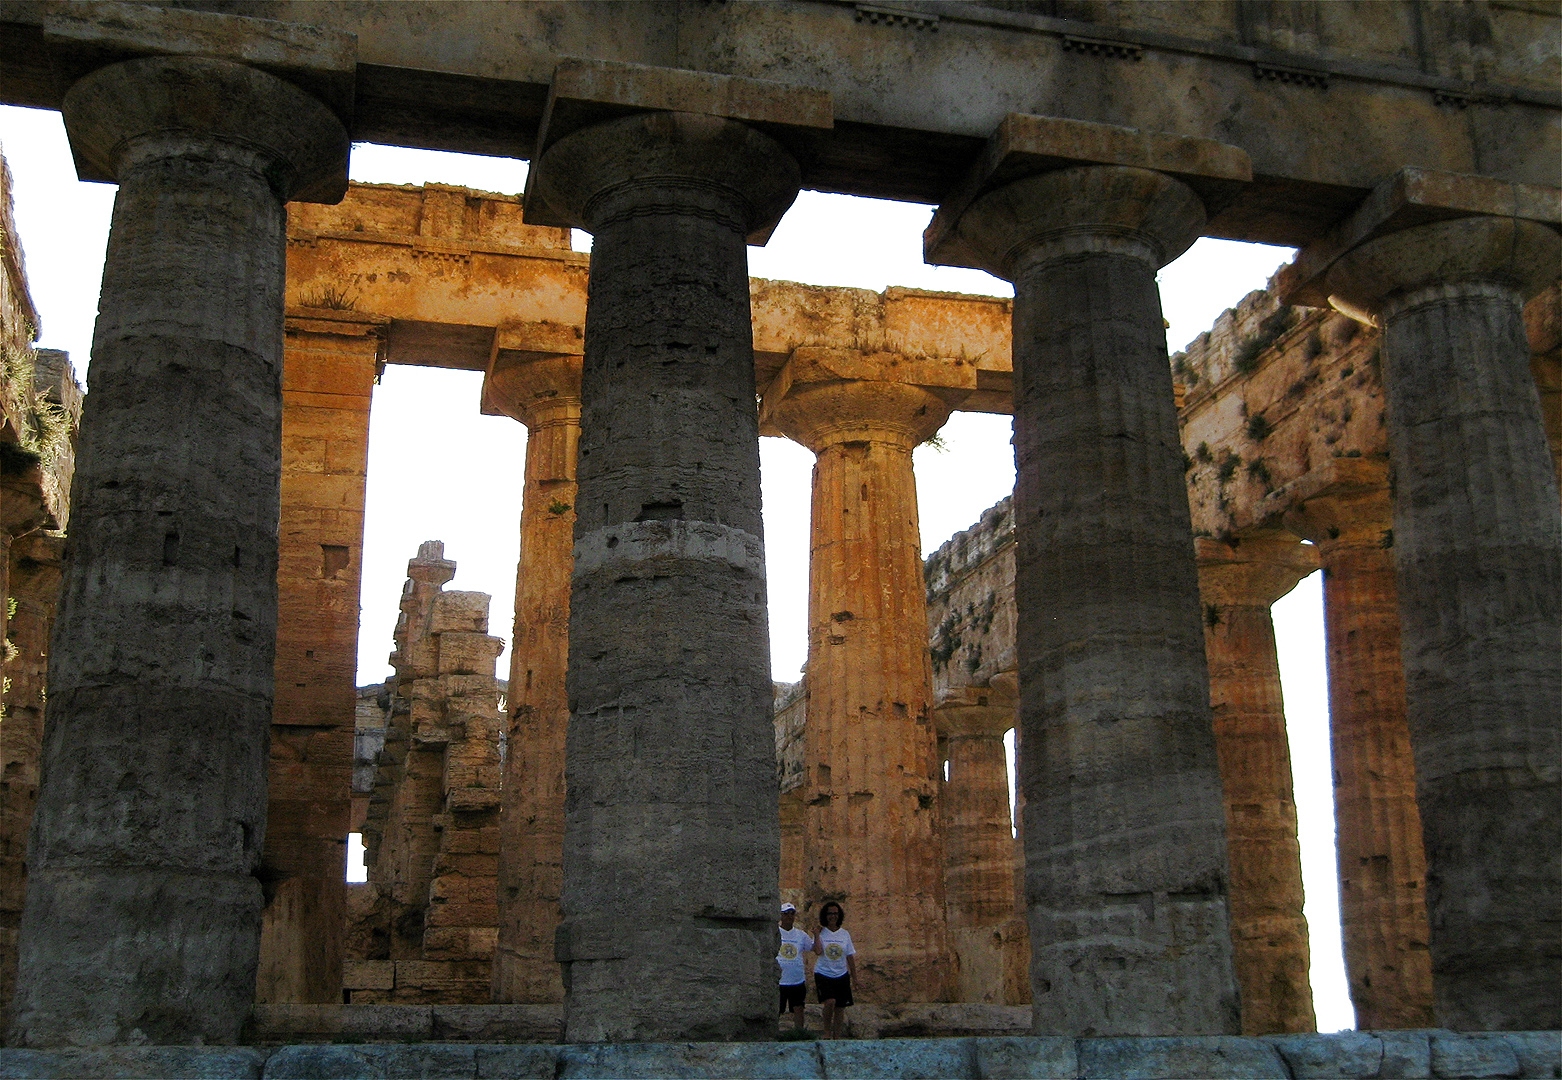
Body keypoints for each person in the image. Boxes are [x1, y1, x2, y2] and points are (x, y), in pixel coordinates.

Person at [812, 900, 855, 1039]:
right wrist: (817, 935)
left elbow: (850, 956)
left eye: (835, 913)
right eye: (830, 913)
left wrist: (855, 978)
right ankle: (826, 1031)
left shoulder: (845, 934)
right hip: (824, 973)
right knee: (830, 1002)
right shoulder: (821, 932)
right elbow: (818, 951)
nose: (833, 916)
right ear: (825, 915)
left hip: (841, 974)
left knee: (840, 1008)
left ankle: (837, 1036)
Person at [776, 902, 812, 1032]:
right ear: (781, 915)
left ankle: (799, 1034)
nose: (789, 916)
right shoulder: (775, 932)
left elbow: (813, 948)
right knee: (776, 1009)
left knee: (798, 1008)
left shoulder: (801, 935)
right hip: (779, 979)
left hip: (797, 979)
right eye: (786, 914)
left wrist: (818, 935)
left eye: (792, 913)